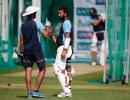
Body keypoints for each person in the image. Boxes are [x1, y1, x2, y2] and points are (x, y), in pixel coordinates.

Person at [19, 6, 50, 98]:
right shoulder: (38, 23)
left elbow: (21, 41)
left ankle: (29, 93)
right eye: (35, 12)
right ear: (33, 14)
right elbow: (46, 36)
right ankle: (36, 91)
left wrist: (21, 52)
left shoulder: (23, 25)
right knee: (43, 69)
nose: (36, 13)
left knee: (28, 70)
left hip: (27, 51)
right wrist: (47, 26)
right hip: (36, 50)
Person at [49, 6, 73, 97]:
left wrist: (65, 50)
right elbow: (59, 42)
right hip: (62, 48)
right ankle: (67, 90)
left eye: (60, 13)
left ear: (65, 13)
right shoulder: (64, 23)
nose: (59, 14)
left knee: (57, 69)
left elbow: (68, 36)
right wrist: (52, 36)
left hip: (64, 49)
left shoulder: (66, 22)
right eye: (58, 13)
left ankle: (67, 91)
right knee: (63, 71)